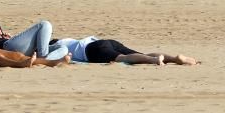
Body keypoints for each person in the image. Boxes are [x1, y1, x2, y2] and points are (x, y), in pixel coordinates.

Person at [48, 36, 198, 65]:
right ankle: (174, 58)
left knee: (123, 59)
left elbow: (56, 57)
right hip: (103, 41)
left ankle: (153, 60)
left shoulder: (57, 47)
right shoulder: (67, 40)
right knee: (140, 54)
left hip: (92, 50)